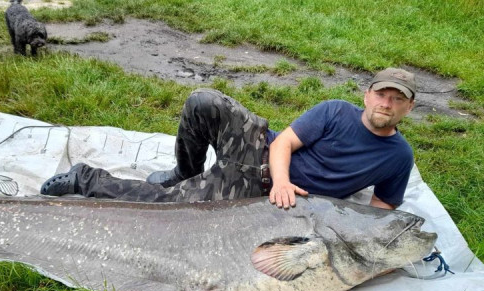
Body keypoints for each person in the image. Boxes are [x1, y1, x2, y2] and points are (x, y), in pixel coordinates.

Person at [41, 67, 416, 210]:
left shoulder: (398, 158)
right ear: (367, 95)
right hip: (260, 149)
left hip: (256, 193)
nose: (387, 103)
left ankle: (84, 179)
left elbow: (382, 207)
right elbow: (283, 143)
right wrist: (283, 181)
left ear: (408, 108)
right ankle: (186, 171)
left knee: (165, 206)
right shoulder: (335, 110)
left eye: (397, 99)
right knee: (203, 101)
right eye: (382, 94)